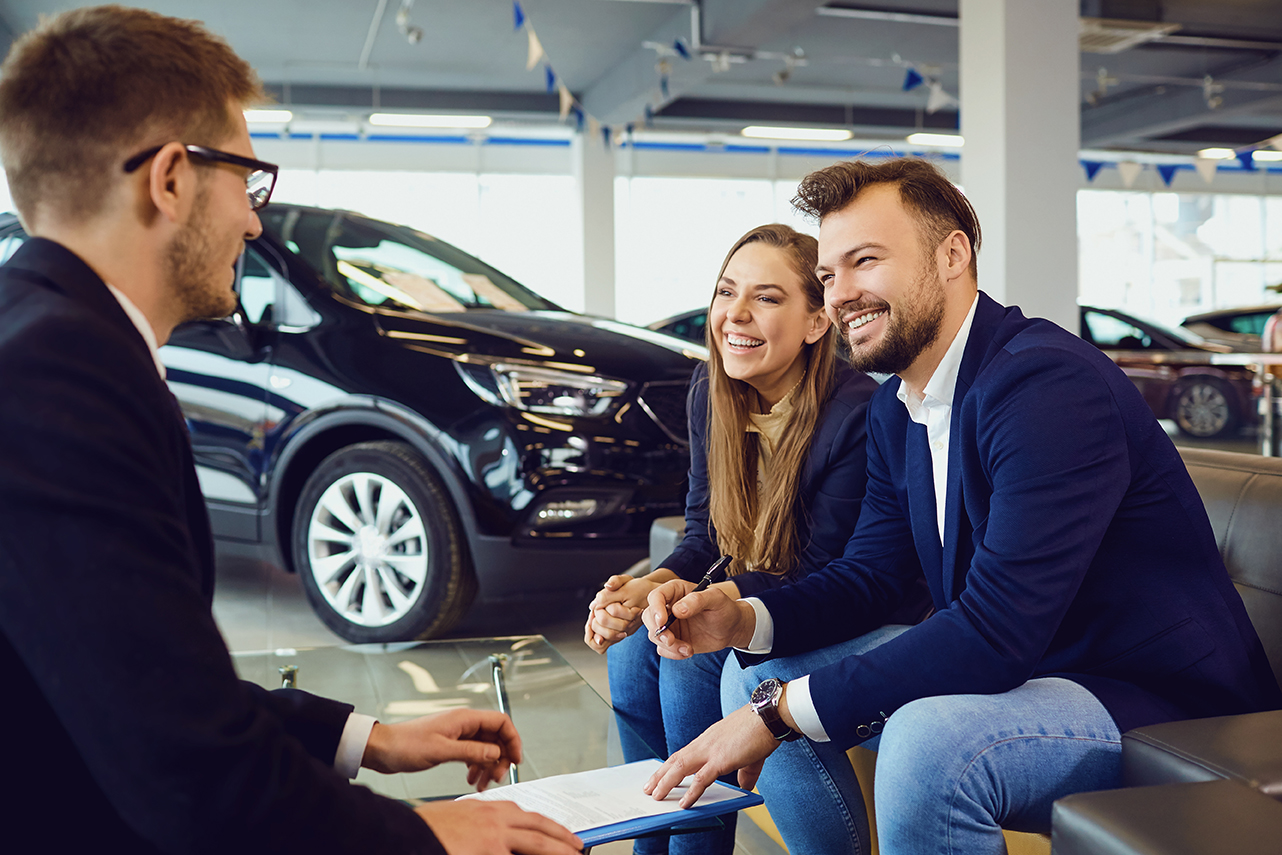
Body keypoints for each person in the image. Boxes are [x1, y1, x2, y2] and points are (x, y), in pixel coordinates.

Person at [0, 8, 581, 855]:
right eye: (247, 177)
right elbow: (188, 774)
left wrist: (368, 739)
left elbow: (147, 676)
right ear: (168, 179)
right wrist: (431, 834)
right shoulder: (61, 375)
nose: (254, 221)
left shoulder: (50, 336)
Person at [638, 158, 1282, 855]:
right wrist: (746, 617)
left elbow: (998, 627)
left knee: (924, 741)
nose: (842, 292)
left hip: (1143, 692)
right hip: (1035, 666)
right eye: (828, 274)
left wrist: (782, 713)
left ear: (953, 254)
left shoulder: (1046, 384)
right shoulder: (897, 406)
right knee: (754, 671)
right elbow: (874, 575)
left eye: (866, 260)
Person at [584, 224, 922, 854]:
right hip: (764, 592)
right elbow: (702, 536)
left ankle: (696, 850)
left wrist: (704, 602)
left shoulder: (859, 414)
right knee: (633, 648)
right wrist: (651, 587)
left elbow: (826, 570)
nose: (735, 315)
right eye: (725, 292)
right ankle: (648, 842)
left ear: (817, 321)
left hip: (845, 605)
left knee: (695, 657)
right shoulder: (708, 392)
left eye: (766, 298)